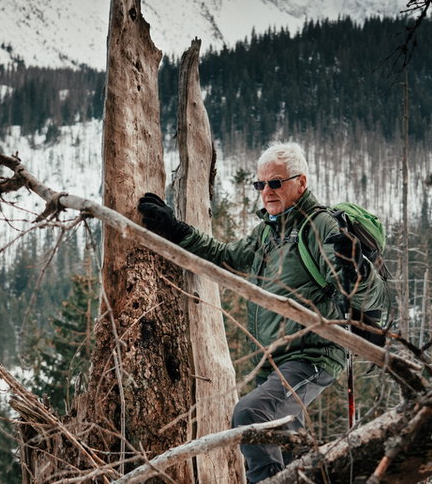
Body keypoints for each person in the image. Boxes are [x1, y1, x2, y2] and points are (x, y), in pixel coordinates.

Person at [137, 141, 384, 483]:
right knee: (286, 443)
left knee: (252, 413)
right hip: (277, 360)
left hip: (312, 355)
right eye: (260, 184)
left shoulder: (320, 227)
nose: (266, 191)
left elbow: (366, 296)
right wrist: (175, 229)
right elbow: (225, 256)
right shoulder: (268, 233)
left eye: (276, 182)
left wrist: (356, 268)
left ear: (302, 183)